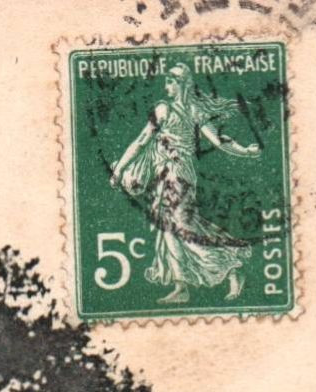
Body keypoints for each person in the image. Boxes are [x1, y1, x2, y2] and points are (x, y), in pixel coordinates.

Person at [108, 63, 261, 304]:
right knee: (171, 227)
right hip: (164, 175)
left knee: (179, 228)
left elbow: (219, 141)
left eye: (170, 81)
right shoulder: (169, 109)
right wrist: (119, 170)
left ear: (182, 84)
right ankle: (182, 286)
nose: (166, 86)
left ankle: (230, 267)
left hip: (178, 175)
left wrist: (247, 152)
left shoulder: (183, 110)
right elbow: (141, 141)